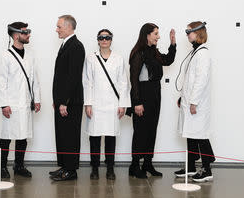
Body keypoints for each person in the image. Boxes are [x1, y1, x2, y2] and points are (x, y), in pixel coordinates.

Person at [127, 23, 176, 178]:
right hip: (142, 95)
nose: (158, 36)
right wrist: (137, 102)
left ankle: (147, 163)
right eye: (156, 33)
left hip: (155, 93)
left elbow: (167, 60)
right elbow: (134, 80)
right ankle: (134, 166)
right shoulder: (138, 53)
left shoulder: (153, 52)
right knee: (140, 131)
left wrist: (173, 44)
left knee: (151, 129)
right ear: (147, 35)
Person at [0, 22, 41, 179]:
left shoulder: (30, 56)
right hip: (11, 104)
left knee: (23, 135)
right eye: (25, 32)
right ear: (16, 35)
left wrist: (37, 98)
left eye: (28, 31)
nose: (28, 35)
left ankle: (19, 165)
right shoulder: (5, 56)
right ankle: (1, 166)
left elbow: (35, 79)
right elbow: (1, 81)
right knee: (7, 136)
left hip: (26, 102)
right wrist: (4, 104)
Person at [83, 29, 131, 180]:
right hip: (96, 104)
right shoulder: (91, 58)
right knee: (95, 138)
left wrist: (123, 104)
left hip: (112, 104)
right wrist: (88, 104)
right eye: (101, 37)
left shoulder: (118, 58)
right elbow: (87, 82)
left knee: (111, 138)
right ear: (98, 40)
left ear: (111, 40)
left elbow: (124, 83)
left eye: (107, 37)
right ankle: (95, 168)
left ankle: (110, 168)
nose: (104, 40)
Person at [175, 21, 215, 182]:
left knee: (200, 135)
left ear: (199, 33)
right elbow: (190, 80)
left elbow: (201, 80)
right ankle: (191, 166)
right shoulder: (196, 52)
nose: (186, 34)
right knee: (191, 134)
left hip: (197, 104)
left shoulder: (203, 53)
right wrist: (182, 97)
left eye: (189, 31)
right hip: (189, 100)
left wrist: (194, 101)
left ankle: (207, 169)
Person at [49, 15, 85, 181]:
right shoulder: (66, 45)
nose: (56, 30)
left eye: (59, 27)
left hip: (70, 102)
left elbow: (73, 77)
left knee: (70, 136)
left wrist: (64, 101)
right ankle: (64, 166)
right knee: (62, 135)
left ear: (69, 27)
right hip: (62, 101)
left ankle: (71, 170)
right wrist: (57, 99)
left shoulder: (76, 46)